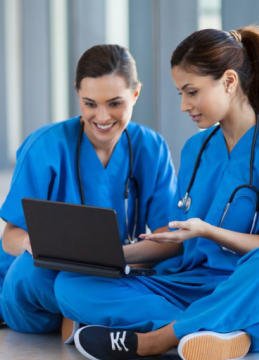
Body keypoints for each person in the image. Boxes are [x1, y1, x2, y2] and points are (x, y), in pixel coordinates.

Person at [55, 25, 259, 360]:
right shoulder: (197, 149)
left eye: (191, 92)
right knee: (69, 283)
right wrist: (113, 256)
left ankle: (157, 339)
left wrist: (208, 231)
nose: (183, 105)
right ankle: (216, 330)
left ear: (230, 82)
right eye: (180, 94)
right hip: (187, 285)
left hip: (245, 284)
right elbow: (180, 242)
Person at [0, 44, 178, 340]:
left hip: (116, 270)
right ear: (78, 97)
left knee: (176, 268)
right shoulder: (45, 146)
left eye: (115, 103)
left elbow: (169, 240)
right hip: (42, 279)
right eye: (90, 103)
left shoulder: (151, 147)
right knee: (32, 272)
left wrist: (117, 258)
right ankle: (100, 317)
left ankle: (83, 318)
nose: (102, 116)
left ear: (135, 94)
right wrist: (34, 244)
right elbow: (9, 237)